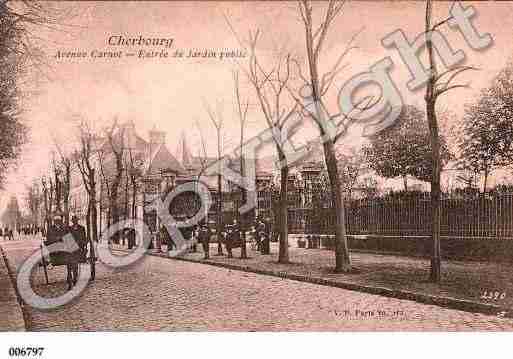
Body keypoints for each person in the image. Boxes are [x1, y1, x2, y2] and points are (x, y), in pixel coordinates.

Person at [69, 215, 88, 289]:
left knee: (75, 263)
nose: (74, 221)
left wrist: (81, 244)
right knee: (71, 263)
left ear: (77, 221)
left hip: (79, 248)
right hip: (71, 248)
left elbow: (84, 238)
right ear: (72, 221)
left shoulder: (82, 228)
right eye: (73, 220)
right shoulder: (69, 228)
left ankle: (75, 277)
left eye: (76, 220)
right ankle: (72, 276)